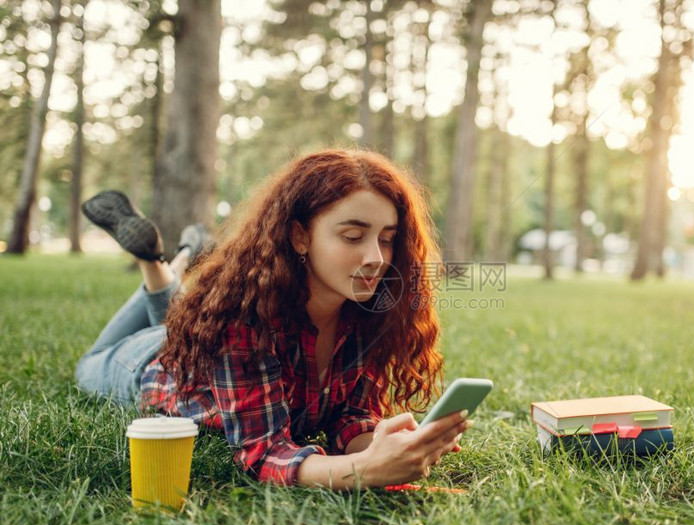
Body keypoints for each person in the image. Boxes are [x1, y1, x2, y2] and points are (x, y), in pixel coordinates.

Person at [76, 149, 469, 490]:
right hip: (144, 363)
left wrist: (384, 444)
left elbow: (351, 415)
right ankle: (157, 261)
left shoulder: (370, 310)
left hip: (193, 327)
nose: (377, 257)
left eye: (386, 238)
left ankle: (175, 260)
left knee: (184, 311)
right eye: (352, 237)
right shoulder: (244, 320)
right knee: (87, 365)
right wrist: (363, 470)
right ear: (300, 237)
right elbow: (263, 453)